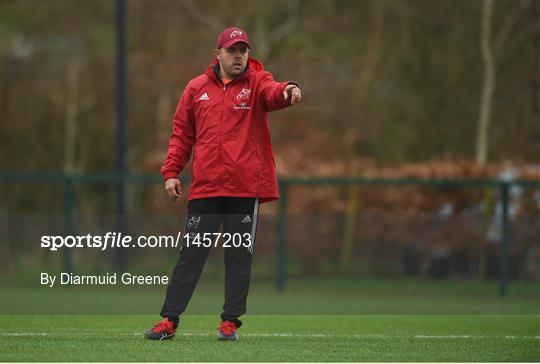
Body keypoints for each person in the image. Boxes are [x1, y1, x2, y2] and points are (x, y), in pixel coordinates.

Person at [144, 27, 301, 341]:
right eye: (232, 50)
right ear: (218, 54)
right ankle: (168, 321)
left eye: (243, 50)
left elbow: (273, 91)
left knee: (239, 255)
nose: (239, 56)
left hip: (245, 189)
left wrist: (288, 89)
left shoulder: (256, 83)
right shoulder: (195, 88)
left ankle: (230, 322)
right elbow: (181, 135)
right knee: (190, 254)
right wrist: (172, 172)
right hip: (206, 188)